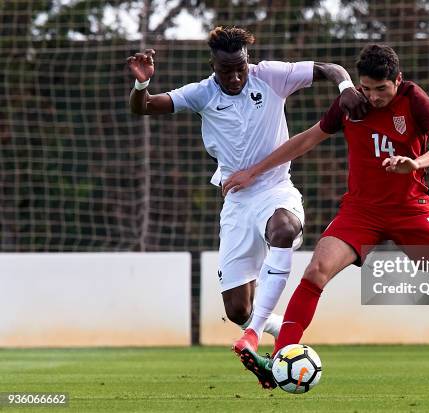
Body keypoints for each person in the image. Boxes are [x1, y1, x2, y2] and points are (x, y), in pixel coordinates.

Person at [222, 44, 429, 397]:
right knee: (316, 271)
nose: (374, 97)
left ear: (398, 80)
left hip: (411, 212)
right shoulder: (351, 104)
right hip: (361, 212)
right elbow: (306, 140)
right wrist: (252, 172)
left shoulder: (414, 99)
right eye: (366, 88)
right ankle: (282, 356)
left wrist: (416, 163)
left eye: (382, 89)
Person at [127, 26, 369, 357]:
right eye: (227, 70)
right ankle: (273, 327)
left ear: (248, 60)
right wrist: (142, 83)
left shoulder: (270, 75)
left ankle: (264, 337)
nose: (236, 77)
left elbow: (330, 68)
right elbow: (144, 107)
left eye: (240, 67)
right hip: (237, 203)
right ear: (213, 63)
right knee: (238, 310)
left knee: (283, 230)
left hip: (276, 190)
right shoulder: (201, 93)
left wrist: (345, 87)